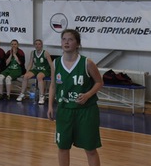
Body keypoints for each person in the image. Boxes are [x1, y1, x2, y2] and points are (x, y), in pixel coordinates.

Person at [48, 29, 103, 166]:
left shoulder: (87, 63)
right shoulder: (55, 63)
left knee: (90, 149)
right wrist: (50, 106)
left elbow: (99, 82)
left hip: (86, 111)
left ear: (77, 43)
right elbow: (53, 85)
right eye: (64, 39)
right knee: (62, 147)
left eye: (70, 39)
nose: (66, 42)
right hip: (64, 110)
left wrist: (88, 95)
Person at [17, 39, 53, 104]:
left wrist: (52, 74)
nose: (37, 45)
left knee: (39, 76)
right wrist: (26, 72)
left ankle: (41, 96)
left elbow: (51, 64)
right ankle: (22, 93)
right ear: (34, 45)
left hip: (45, 70)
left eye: (39, 44)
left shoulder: (45, 53)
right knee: (25, 76)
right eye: (36, 44)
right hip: (36, 69)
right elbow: (30, 63)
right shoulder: (32, 53)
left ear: (41, 45)